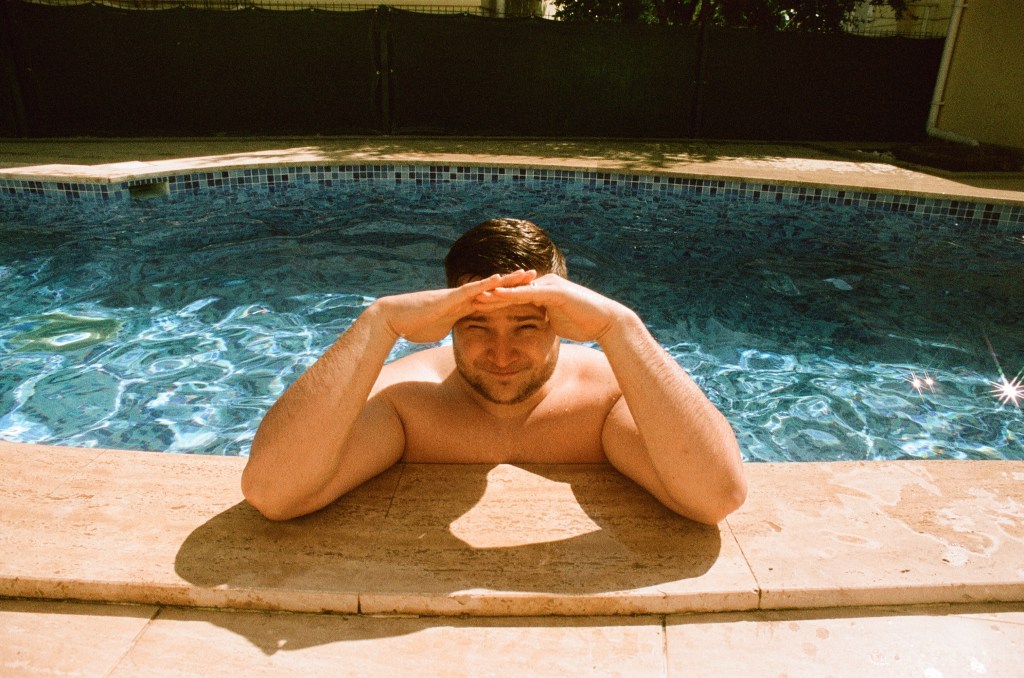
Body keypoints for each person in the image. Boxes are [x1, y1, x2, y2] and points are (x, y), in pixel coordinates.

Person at [242, 218, 746, 525]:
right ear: (447, 320)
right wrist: (380, 323)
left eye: (525, 325)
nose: (501, 355)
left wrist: (619, 327)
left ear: (562, 321)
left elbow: (715, 499)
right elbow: (274, 495)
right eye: (477, 325)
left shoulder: (608, 399)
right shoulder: (408, 400)